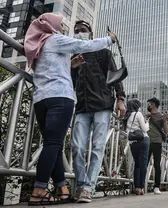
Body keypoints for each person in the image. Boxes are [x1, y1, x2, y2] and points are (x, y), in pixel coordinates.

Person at [24, 13, 116, 206]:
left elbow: (53, 68)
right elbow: (84, 47)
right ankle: (39, 190)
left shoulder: (39, 43)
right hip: (63, 99)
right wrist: (110, 39)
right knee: (60, 145)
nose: (66, 29)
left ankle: (66, 189)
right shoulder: (57, 40)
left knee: (56, 145)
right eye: (63, 25)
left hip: (43, 99)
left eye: (82, 30)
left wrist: (71, 65)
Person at [69, 20, 126, 203]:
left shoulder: (103, 52)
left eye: (83, 30)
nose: (79, 33)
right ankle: (82, 183)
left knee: (98, 148)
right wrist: (72, 67)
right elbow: (70, 81)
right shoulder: (74, 55)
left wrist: (120, 99)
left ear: (91, 34)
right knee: (77, 147)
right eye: (76, 31)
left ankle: (87, 188)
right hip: (82, 107)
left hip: (102, 104)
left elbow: (115, 75)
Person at [125, 99, 150, 195]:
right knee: (143, 164)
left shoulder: (126, 116)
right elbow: (144, 129)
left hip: (132, 143)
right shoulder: (138, 114)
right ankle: (141, 187)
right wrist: (147, 123)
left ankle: (136, 188)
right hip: (143, 140)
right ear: (137, 106)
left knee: (137, 164)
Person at [145, 97, 168, 194]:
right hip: (147, 141)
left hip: (157, 142)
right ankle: (141, 185)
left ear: (154, 104)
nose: (148, 105)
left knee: (157, 165)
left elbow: (166, 132)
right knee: (144, 164)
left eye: (149, 104)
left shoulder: (161, 116)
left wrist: (165, 120)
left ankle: (156, 187)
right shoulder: (147, 115)